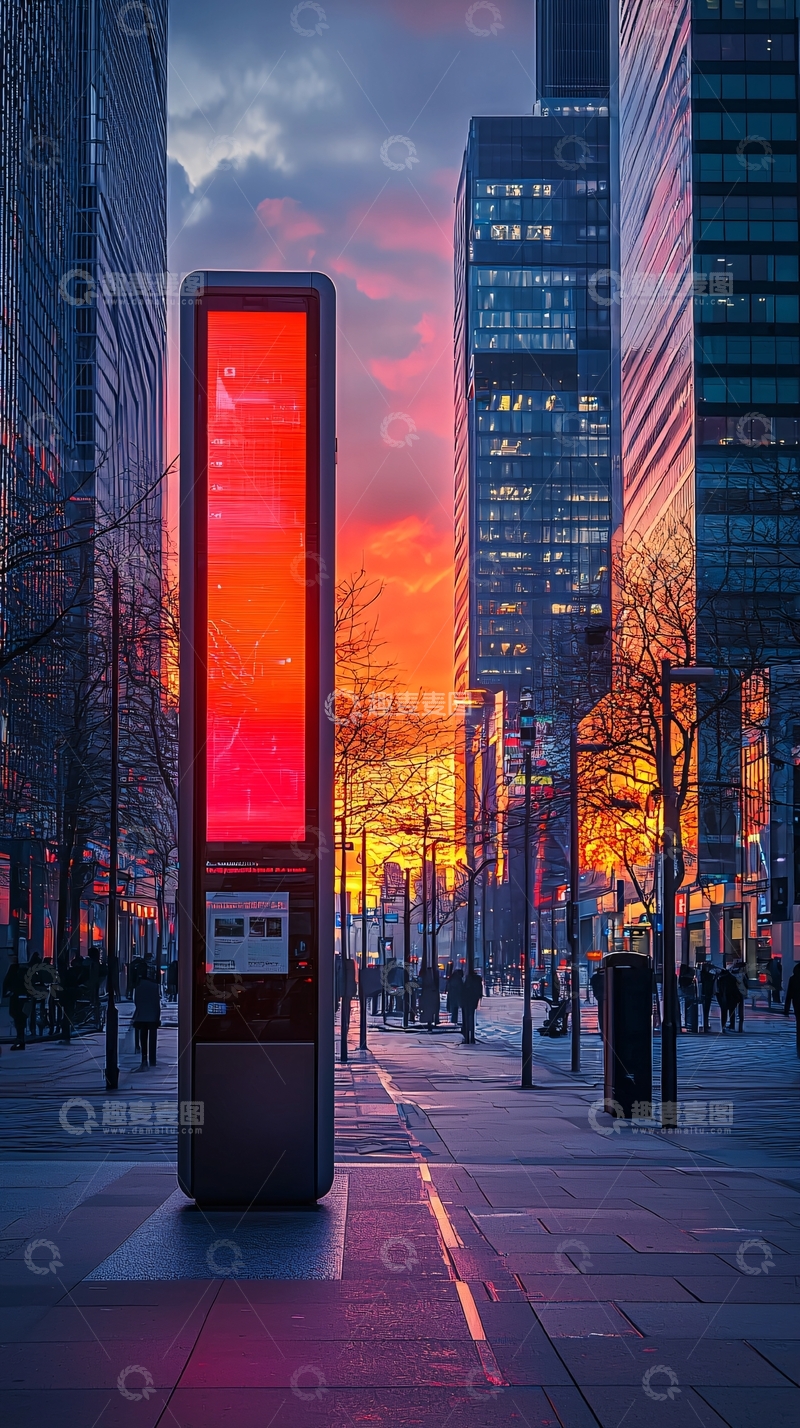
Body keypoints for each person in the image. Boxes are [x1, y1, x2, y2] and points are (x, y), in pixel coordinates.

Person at [132, 966, 161, 1069]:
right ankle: (152, 1059)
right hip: (153, 1016)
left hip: (142, 1016)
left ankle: (144, 1059)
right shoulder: (155, 986)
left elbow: (136, 1002)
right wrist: (158, 1016)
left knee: (143, 1038)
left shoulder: (138, 987)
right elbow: (157, 1003)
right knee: (152, 1038)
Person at [2, 951, 31, 1050]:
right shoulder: (23, 969)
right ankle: (20, 1039)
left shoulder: (15, 969)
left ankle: (20, 1039)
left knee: (18, 1017)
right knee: (20, 1018)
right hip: (21, 996)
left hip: (17, 997)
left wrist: (9, 991)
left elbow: (8, 982)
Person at [460, 968, 483, 1044]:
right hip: (473, 999)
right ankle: (471, 1035)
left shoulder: (467, 979)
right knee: (471, 1016)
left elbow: (464, 990)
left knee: (467, 1017)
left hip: (467, 1000)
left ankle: (467, 1035)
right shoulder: (477, 980)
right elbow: (479, 991)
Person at [784, 963, 800, 1056]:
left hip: (797, 1005)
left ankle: (799, 1049)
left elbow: (789, 994)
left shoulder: (793, 979)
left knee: (799, 1027)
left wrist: (786, 1009)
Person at [679, 962, 698, 1032]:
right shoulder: (690, 978)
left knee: (683, 1010)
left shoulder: (682, 978)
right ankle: (688, 1024)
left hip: (684, 995)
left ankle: (684, 1023)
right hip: (689, 995)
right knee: (689, 1010)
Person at [419, 965, 438, 1031]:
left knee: (427, 1013)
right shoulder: (432, 985)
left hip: (427, 1001)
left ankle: (429, 1023)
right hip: (429, 1002)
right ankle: (429, 1023)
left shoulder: (426, 985)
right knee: (429, 1013)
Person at [700, 961, 717, 1033]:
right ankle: (705, 1023)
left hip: (705, 993)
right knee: (706, 1009)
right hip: (707, 993)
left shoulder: (703, 975)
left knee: (705, 1010)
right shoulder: (707, 976)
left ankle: (705, 1022)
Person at [590, 966, 605, 1039]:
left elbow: (593, 985)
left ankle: (603, 1030)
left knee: (601, 1014)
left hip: (600, 997)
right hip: (605, 997)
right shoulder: (606, 977)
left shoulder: (595, 977)